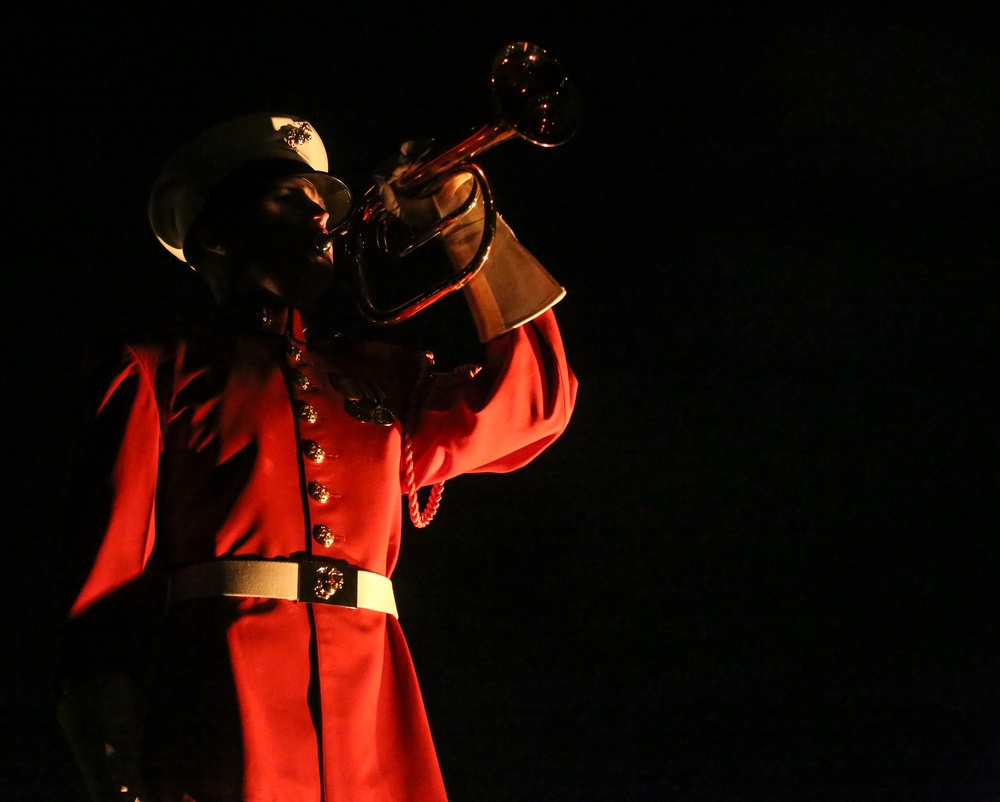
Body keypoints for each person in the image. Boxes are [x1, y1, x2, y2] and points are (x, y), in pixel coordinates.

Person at [54, 112, 577, 802]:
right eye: (288, 197)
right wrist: (118, 781)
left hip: (377, 725)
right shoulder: (156, 371)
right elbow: (102, 605)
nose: (321, 217)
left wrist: (464, 217)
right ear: (214, 236)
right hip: (222, 729)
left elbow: (534, 401)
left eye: (323, 202)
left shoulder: (382, 374)